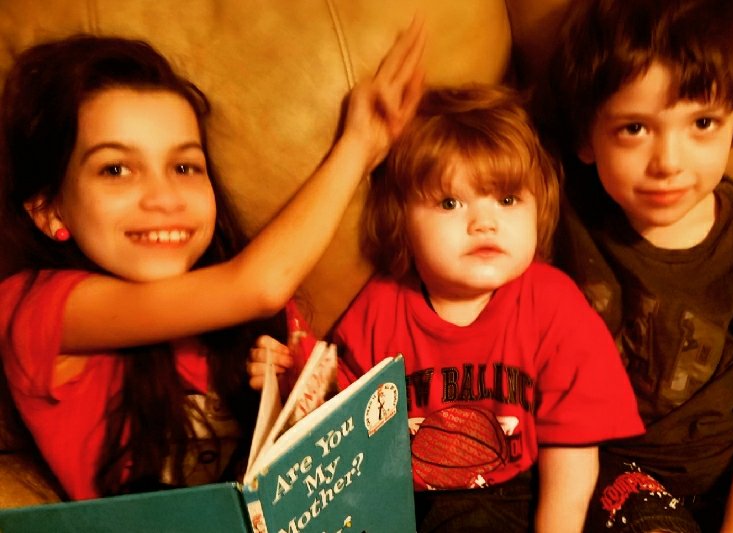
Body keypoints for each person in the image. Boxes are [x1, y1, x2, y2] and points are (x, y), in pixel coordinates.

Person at [0, 23, 424, 501]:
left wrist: (292, 396)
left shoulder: (255, 318)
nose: (165, 199)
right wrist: (359, 145)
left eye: (184, 167)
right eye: (115, 169)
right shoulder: (34, 308)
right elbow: (258, 285)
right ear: (49, 209)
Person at [330, 85, 643, 532]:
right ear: (401, 221)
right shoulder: (379, 309)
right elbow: (342, 435)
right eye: (450, 203)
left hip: (523, 491)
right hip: (411, 502)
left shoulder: (555, 305)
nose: (484, 223)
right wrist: (296, 384)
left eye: (507, 199)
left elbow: (572, 455)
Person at [547, 0, 733, 531]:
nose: (669, 162)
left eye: (702, 123)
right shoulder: (556, 205)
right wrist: (368, 146)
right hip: (624, 479)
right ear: (586, 137)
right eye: (634, 129)